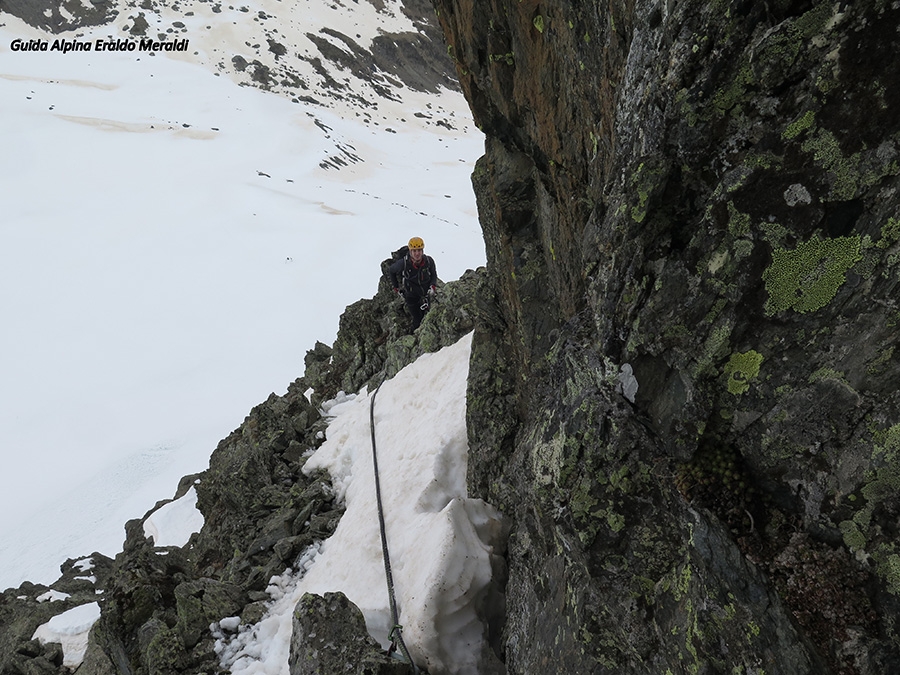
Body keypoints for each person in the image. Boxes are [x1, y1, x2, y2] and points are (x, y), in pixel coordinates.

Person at [389, 236, 437, 331]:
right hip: (411, 296)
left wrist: (433, 285)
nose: (417, 253)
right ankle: (413, 335)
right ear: (410, 252)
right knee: (417, 319)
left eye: (419, 250)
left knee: (429, 315)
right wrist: (396, 287)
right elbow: (391, 270)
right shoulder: (403, 263)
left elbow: (433, 274)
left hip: (426, 293)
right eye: (414, 251)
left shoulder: (429, 261)